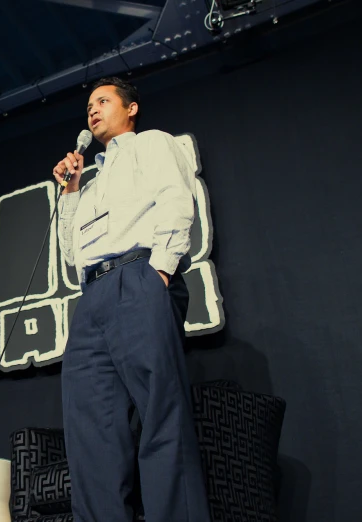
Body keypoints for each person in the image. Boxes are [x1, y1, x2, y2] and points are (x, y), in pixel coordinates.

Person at [51, 76, 210, 522]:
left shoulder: (152, 144)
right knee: (92, 434)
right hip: (93, 295)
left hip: (138, 277)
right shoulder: (92, 179)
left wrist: (159, 271)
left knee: (161, 414)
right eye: (88, 107)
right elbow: (70, 251)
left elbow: (177, 201)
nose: (93, 110)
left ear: (131, 108)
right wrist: (71, 190)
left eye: (102, 101)